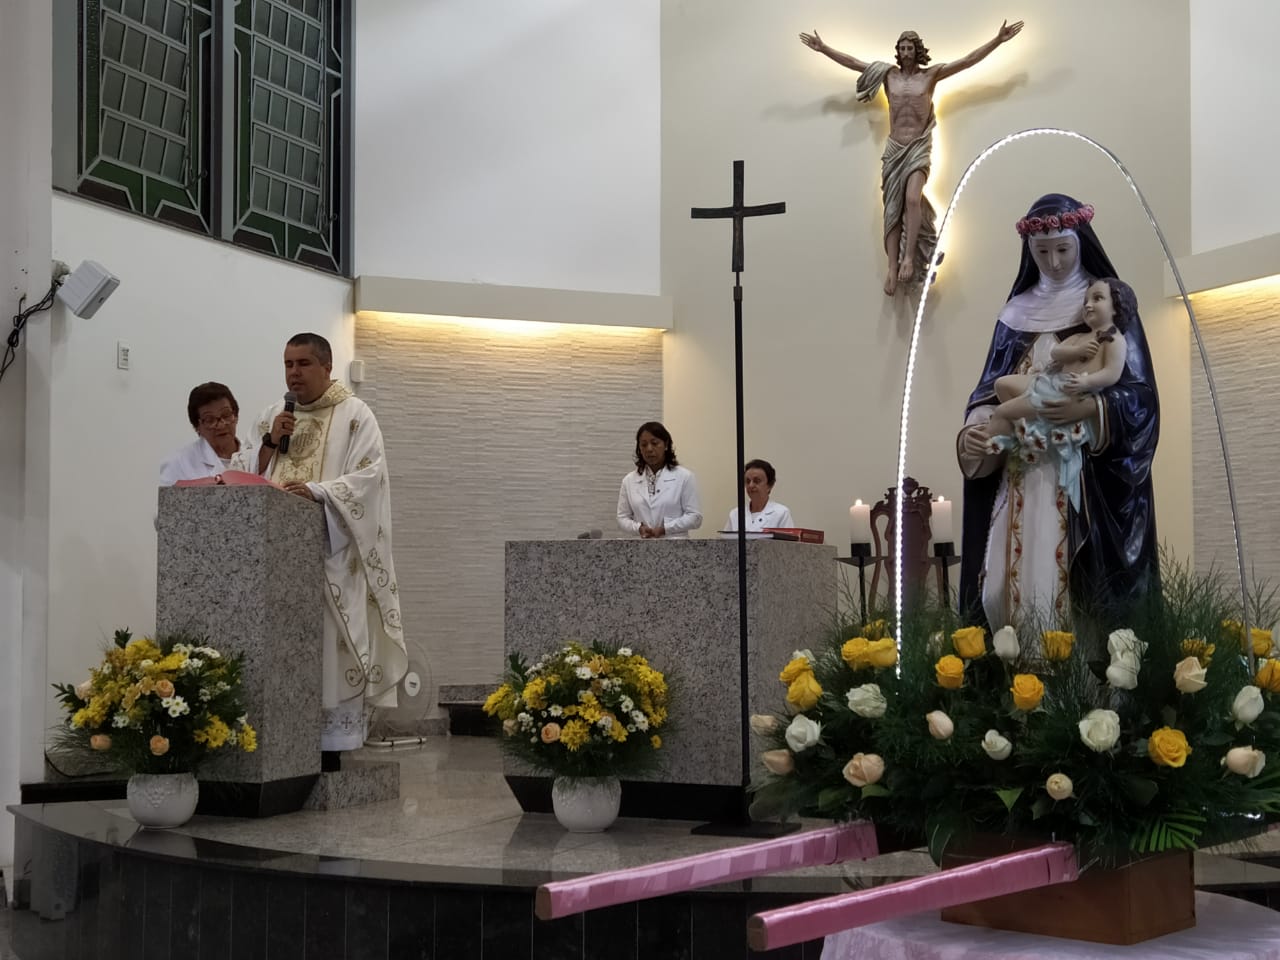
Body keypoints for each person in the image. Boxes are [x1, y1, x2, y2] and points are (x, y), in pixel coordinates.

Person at [956, 195, 1159, 630]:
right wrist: (976, 428)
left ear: (1080, 242)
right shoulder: (1015, 314)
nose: (1053, 261)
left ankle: (1078, 693)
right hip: (1018, 477)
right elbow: (989, 389)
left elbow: (1141, 400)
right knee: (998, 589)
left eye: (1063, 249)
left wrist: (1090, 408)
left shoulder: (1108, 311)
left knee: (1067, 588)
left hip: (1080, 481)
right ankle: (1012, 679)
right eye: (1041, 252)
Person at [252, 333, 408, 763]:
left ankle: (332, 751)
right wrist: (268, 444)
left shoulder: (355, 415)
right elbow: (248, 479)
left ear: (326, 366)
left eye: (303, 364)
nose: (293, 373)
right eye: (287, 364)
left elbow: (368, 479)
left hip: (331, 561)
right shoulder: (272, 417)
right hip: (279, 567)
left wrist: (319, 493)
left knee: (329, 651)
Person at [799, 21, 1024, 295]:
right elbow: (854, 62)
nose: (906, 52)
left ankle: (908, 258)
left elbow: (967, 61)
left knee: (913, 199)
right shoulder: (887, 75)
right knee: (892, 209)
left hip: (918, 146)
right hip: (895, 148)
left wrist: (997, 40)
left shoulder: (930, 76)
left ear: (918, 50)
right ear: (898, 51)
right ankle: (892, 268)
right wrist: (823, 49)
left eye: (910, 47)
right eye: (902, 48)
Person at [984, 278, 1134, 508]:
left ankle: (989, 445)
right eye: (1085, 300)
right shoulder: (1080, 337)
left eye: (1097, 298)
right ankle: (1027, 427)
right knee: (1002, 385)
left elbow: (1111, 374)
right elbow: (1056, 353)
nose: (1088, 305)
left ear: (1116, 306)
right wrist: (1077, 350)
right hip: (1049, 384)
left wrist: (1086, 383)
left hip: (1064, 396)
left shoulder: (1114, 340)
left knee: (1003, 411)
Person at [159, 381, 257, 485]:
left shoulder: (256, 457)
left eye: (226, 415)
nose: (220, 425)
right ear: (197, 426)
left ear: (236, 416)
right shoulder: (177, 463)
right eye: (210, 420)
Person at [616, 421, 703, 539]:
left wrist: (666, 528)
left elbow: (695, 517)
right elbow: (622, 518)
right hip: (641, 548)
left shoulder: (685, 477)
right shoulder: (629, 480)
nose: (649, 449)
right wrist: (638, 528)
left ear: (666, 445)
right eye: (644, 445)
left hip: (676, 549)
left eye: (654, 443)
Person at [725, 459, 794, 532]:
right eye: (748, 481)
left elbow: (788, 543)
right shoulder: (735, 514)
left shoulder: (781, 513)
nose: (751, 485)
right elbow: (725, 542)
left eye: (756, 481)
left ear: (770, 485)